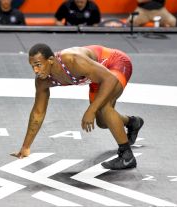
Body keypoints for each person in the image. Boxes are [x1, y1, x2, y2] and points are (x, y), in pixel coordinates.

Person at [11, 44, 144, 170]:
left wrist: (91, 110)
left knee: (104, 107)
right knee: (103, 122)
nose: (36, 70)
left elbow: (109, 79)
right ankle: (132, 122)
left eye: (38, 65)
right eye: (32, 66)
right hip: (97, 76)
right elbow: (38, 113)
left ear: (51, 60)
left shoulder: (72, 60)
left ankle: (127, 156)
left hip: (115, 64)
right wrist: (26, 146)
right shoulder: (42, 81)